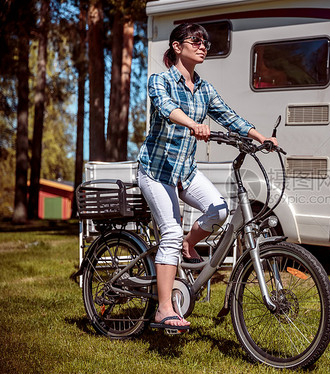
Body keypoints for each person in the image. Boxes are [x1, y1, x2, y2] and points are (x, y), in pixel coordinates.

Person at [137, 23, 277, 330]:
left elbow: (228, 115)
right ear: (177, 46)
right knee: (170, 232)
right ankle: (163, 309)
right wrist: (193, 125)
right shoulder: (159, 81)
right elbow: (166, 108)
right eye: (196, 40)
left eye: (205, 42)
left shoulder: (204, 88)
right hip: (156, 171)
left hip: (184, 171)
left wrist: (260, 136)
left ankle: (189, 243)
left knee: (220, 210)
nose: (203, 46)